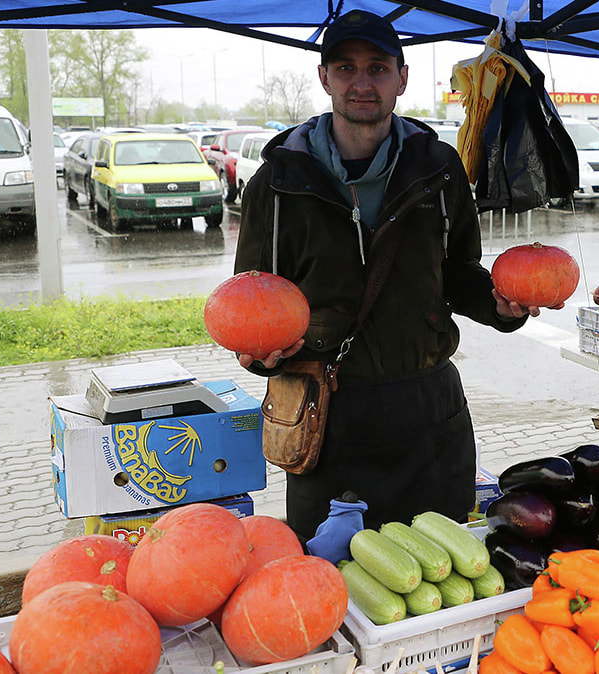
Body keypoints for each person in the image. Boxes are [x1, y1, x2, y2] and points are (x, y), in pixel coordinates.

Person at [233, 10, 556, 539]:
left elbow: (459, 273)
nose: (363, 83)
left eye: (378, 68)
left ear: (402, 78)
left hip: (428, 411)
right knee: (332, 579)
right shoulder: (277, 183)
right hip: (329, 412)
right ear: (324, 78)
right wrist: (261, 357)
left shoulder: (440, 169)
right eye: (346, 68)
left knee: (445, 574)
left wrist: (500, 306)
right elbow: (253, 301)